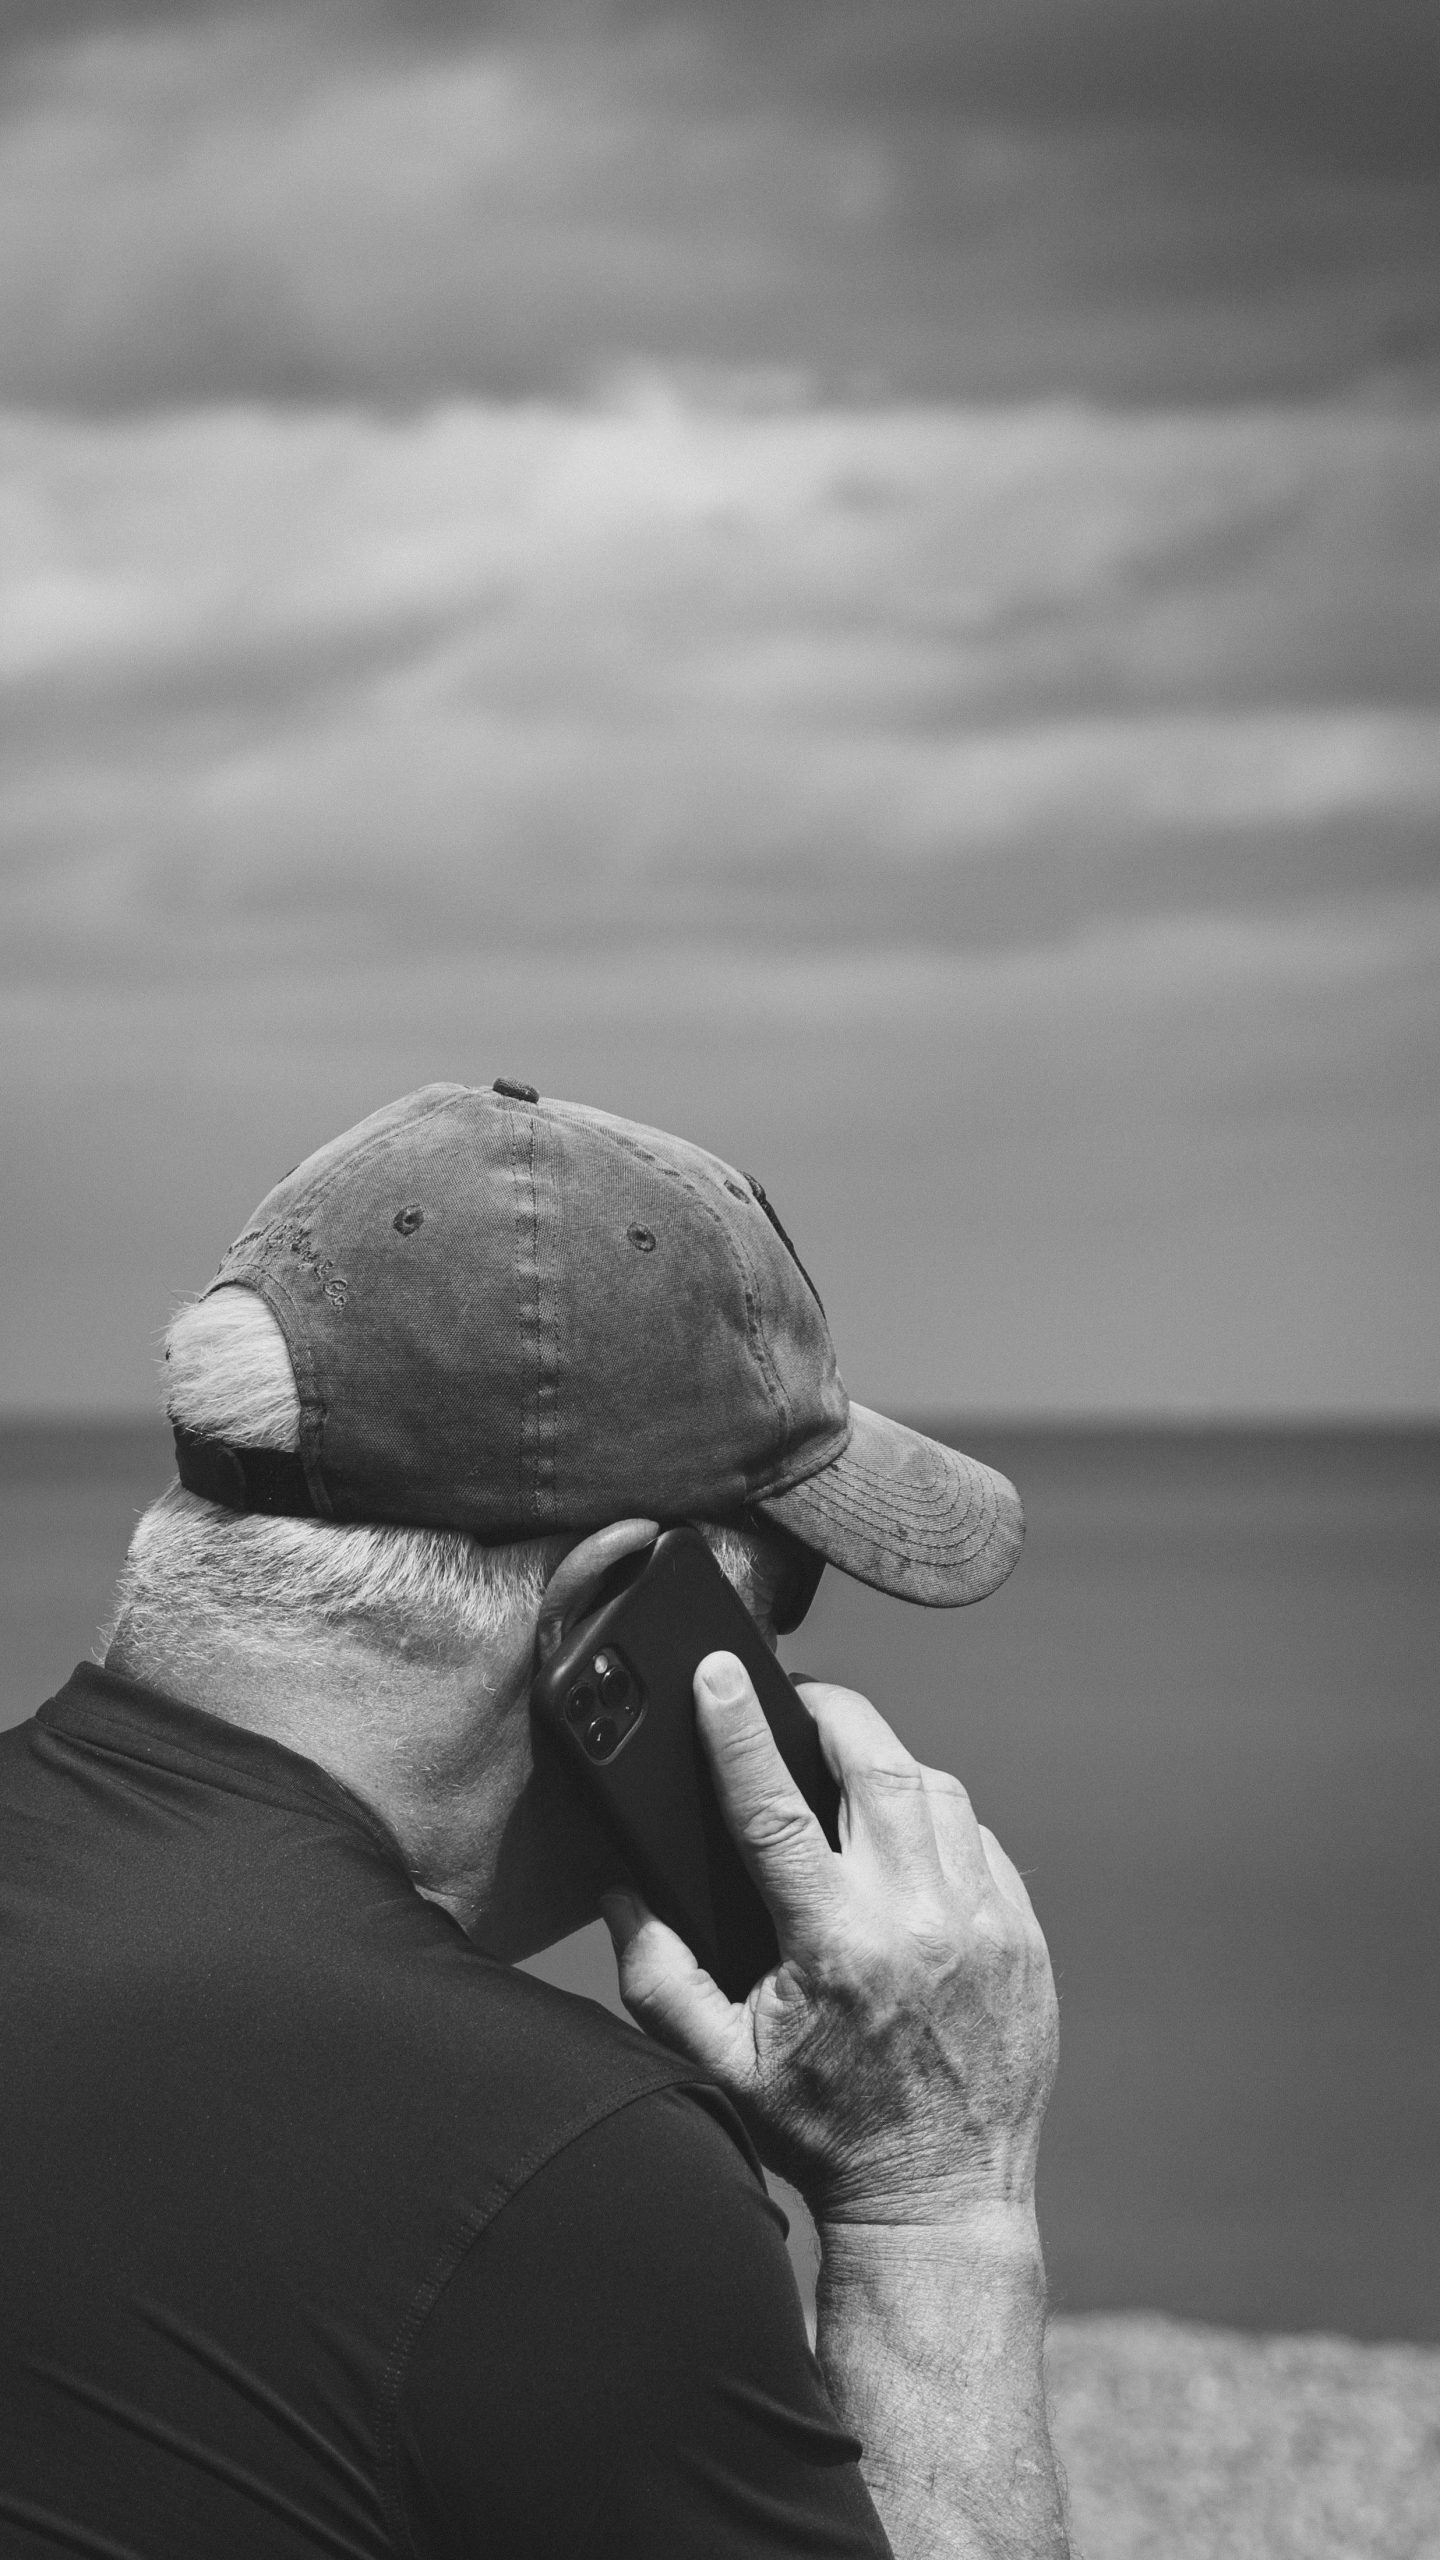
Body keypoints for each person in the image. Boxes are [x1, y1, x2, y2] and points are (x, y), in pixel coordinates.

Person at [0, 1079, 1068, 2560]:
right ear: (609, 1611)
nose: (794, 1680)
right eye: (783, 1603)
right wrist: (935, 2207)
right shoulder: (557, 2170)